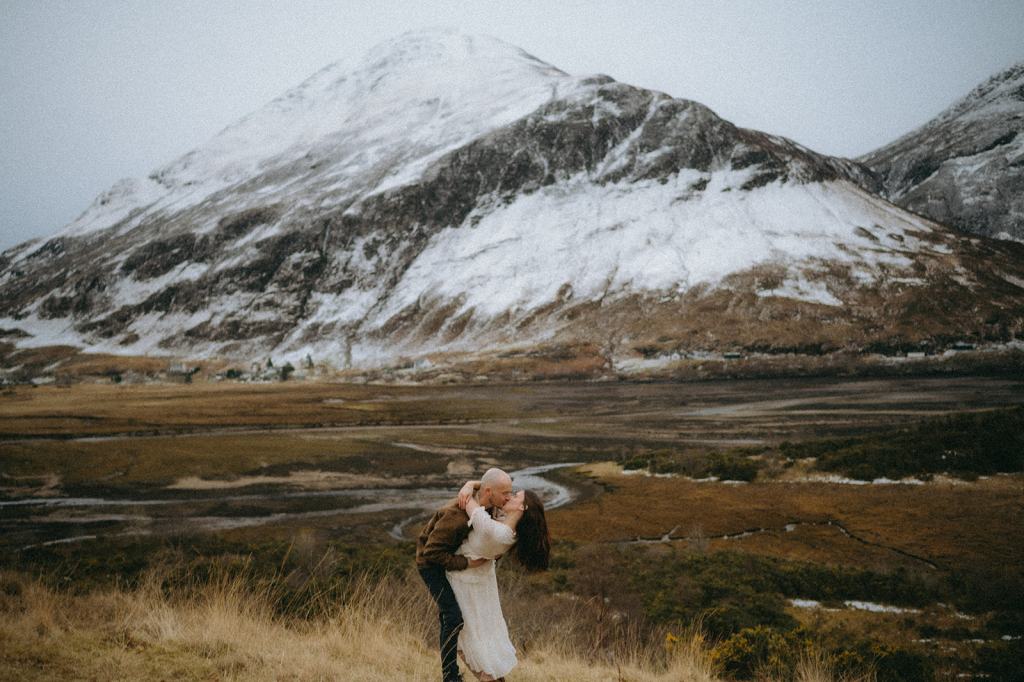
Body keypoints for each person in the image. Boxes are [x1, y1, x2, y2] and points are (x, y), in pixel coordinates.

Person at [416, 468, 514, 682]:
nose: (509, 497)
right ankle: (450, 676)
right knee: (453, 617)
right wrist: (467, 563)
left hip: (450, 562)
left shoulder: (486, 508)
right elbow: (431, 553)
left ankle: (484, 672)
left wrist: (471, 483)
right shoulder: (456, 515)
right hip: (430, 566)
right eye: (506, 493)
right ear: (489, 492)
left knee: (455, 618)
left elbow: (486, 485)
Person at [448, 481, 550, 682]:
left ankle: (487, 679)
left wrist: (468, 486)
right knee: (479, 640)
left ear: (521, 508)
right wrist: (477, 483)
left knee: (465, 641)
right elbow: (490, 488)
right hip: (479, 582)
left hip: (466, 583)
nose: (509, 497)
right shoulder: (507, 526)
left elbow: (467, 502)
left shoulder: (499, 531)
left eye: (515, 496)